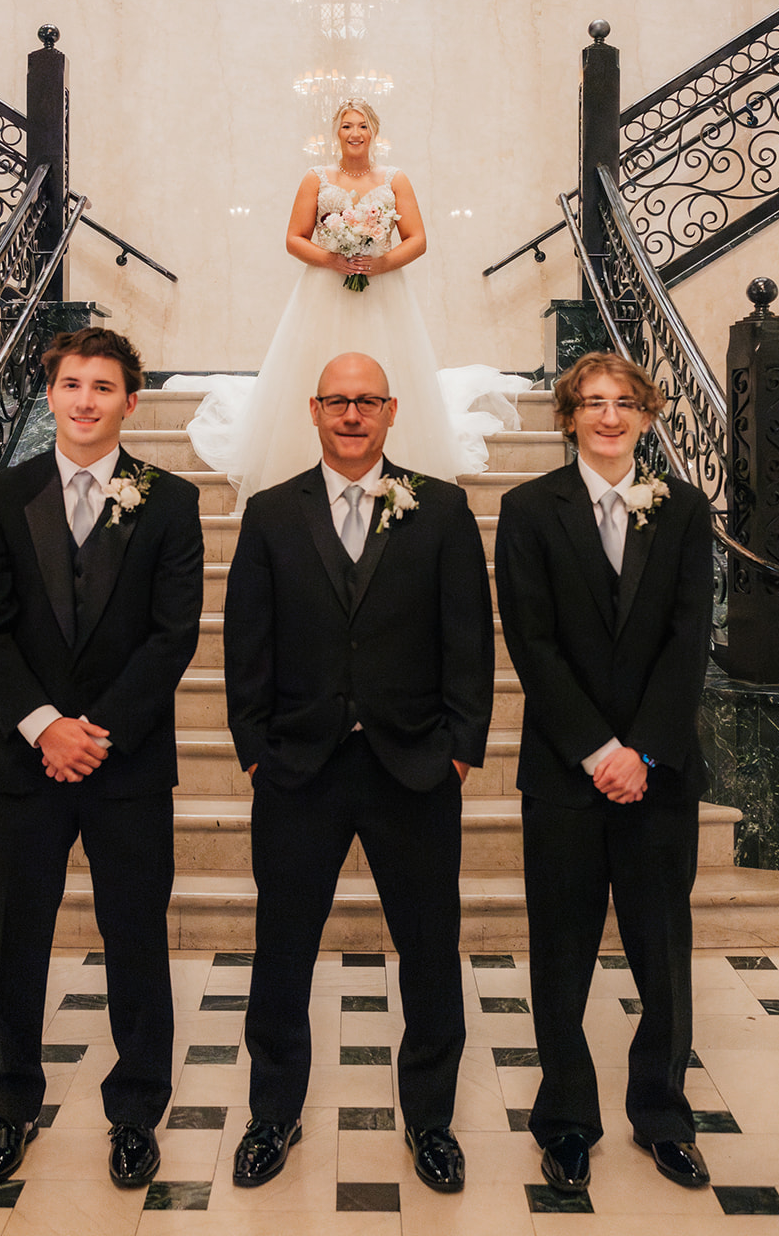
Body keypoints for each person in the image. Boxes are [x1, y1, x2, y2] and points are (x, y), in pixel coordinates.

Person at [225, 351, 494, 1193]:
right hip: (299, 766)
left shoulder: (442, 508)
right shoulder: (271, 513)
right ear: (312, 410)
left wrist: (457, 746)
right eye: (336, 401)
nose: (351, 414)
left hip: (413, 764)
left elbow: (470, 640)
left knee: (428, 948)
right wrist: (255, 748)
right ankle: (272, 1113)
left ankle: (431, 1121)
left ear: (390, 410)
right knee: (282, 948)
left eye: (366, 401)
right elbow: (245, 642)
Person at [0, 327, 203, 1190]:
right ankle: (8, 1108)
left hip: (126, 764)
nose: (86, 400)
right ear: (52, 394)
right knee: (11, 942)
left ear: (130, 402)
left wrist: (96, 731)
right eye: (72, 384)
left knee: (135, 938)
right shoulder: (1, 493)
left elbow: (174, 634)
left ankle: (137, 1110)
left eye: (104, 387)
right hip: (23, 764)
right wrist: (41, 725)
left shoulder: (168, 500)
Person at [494, 351, 713, 1197]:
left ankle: (662, 1115)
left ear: (650, 415)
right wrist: (596, 750)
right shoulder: (526, 509)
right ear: (568, 417)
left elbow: (687, 638)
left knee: (662, 953)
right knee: (561, 952)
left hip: (658, 773)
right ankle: (565, 1121)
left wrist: (644, 751)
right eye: (592, 403)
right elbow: (531, 641)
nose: (610, 416)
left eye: (625, 403)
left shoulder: (685, 508)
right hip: (563, 770)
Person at [181, 98, 526, 511]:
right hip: (324, 289)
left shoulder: (394, 179)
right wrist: (332, 259)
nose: (355, 133)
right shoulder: (315, 178)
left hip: (384, 293)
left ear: (374, 131)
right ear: (337, 133)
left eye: (362, 125)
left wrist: (380, 265)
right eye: (347, 126)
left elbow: (418, 239)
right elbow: (294, 238)